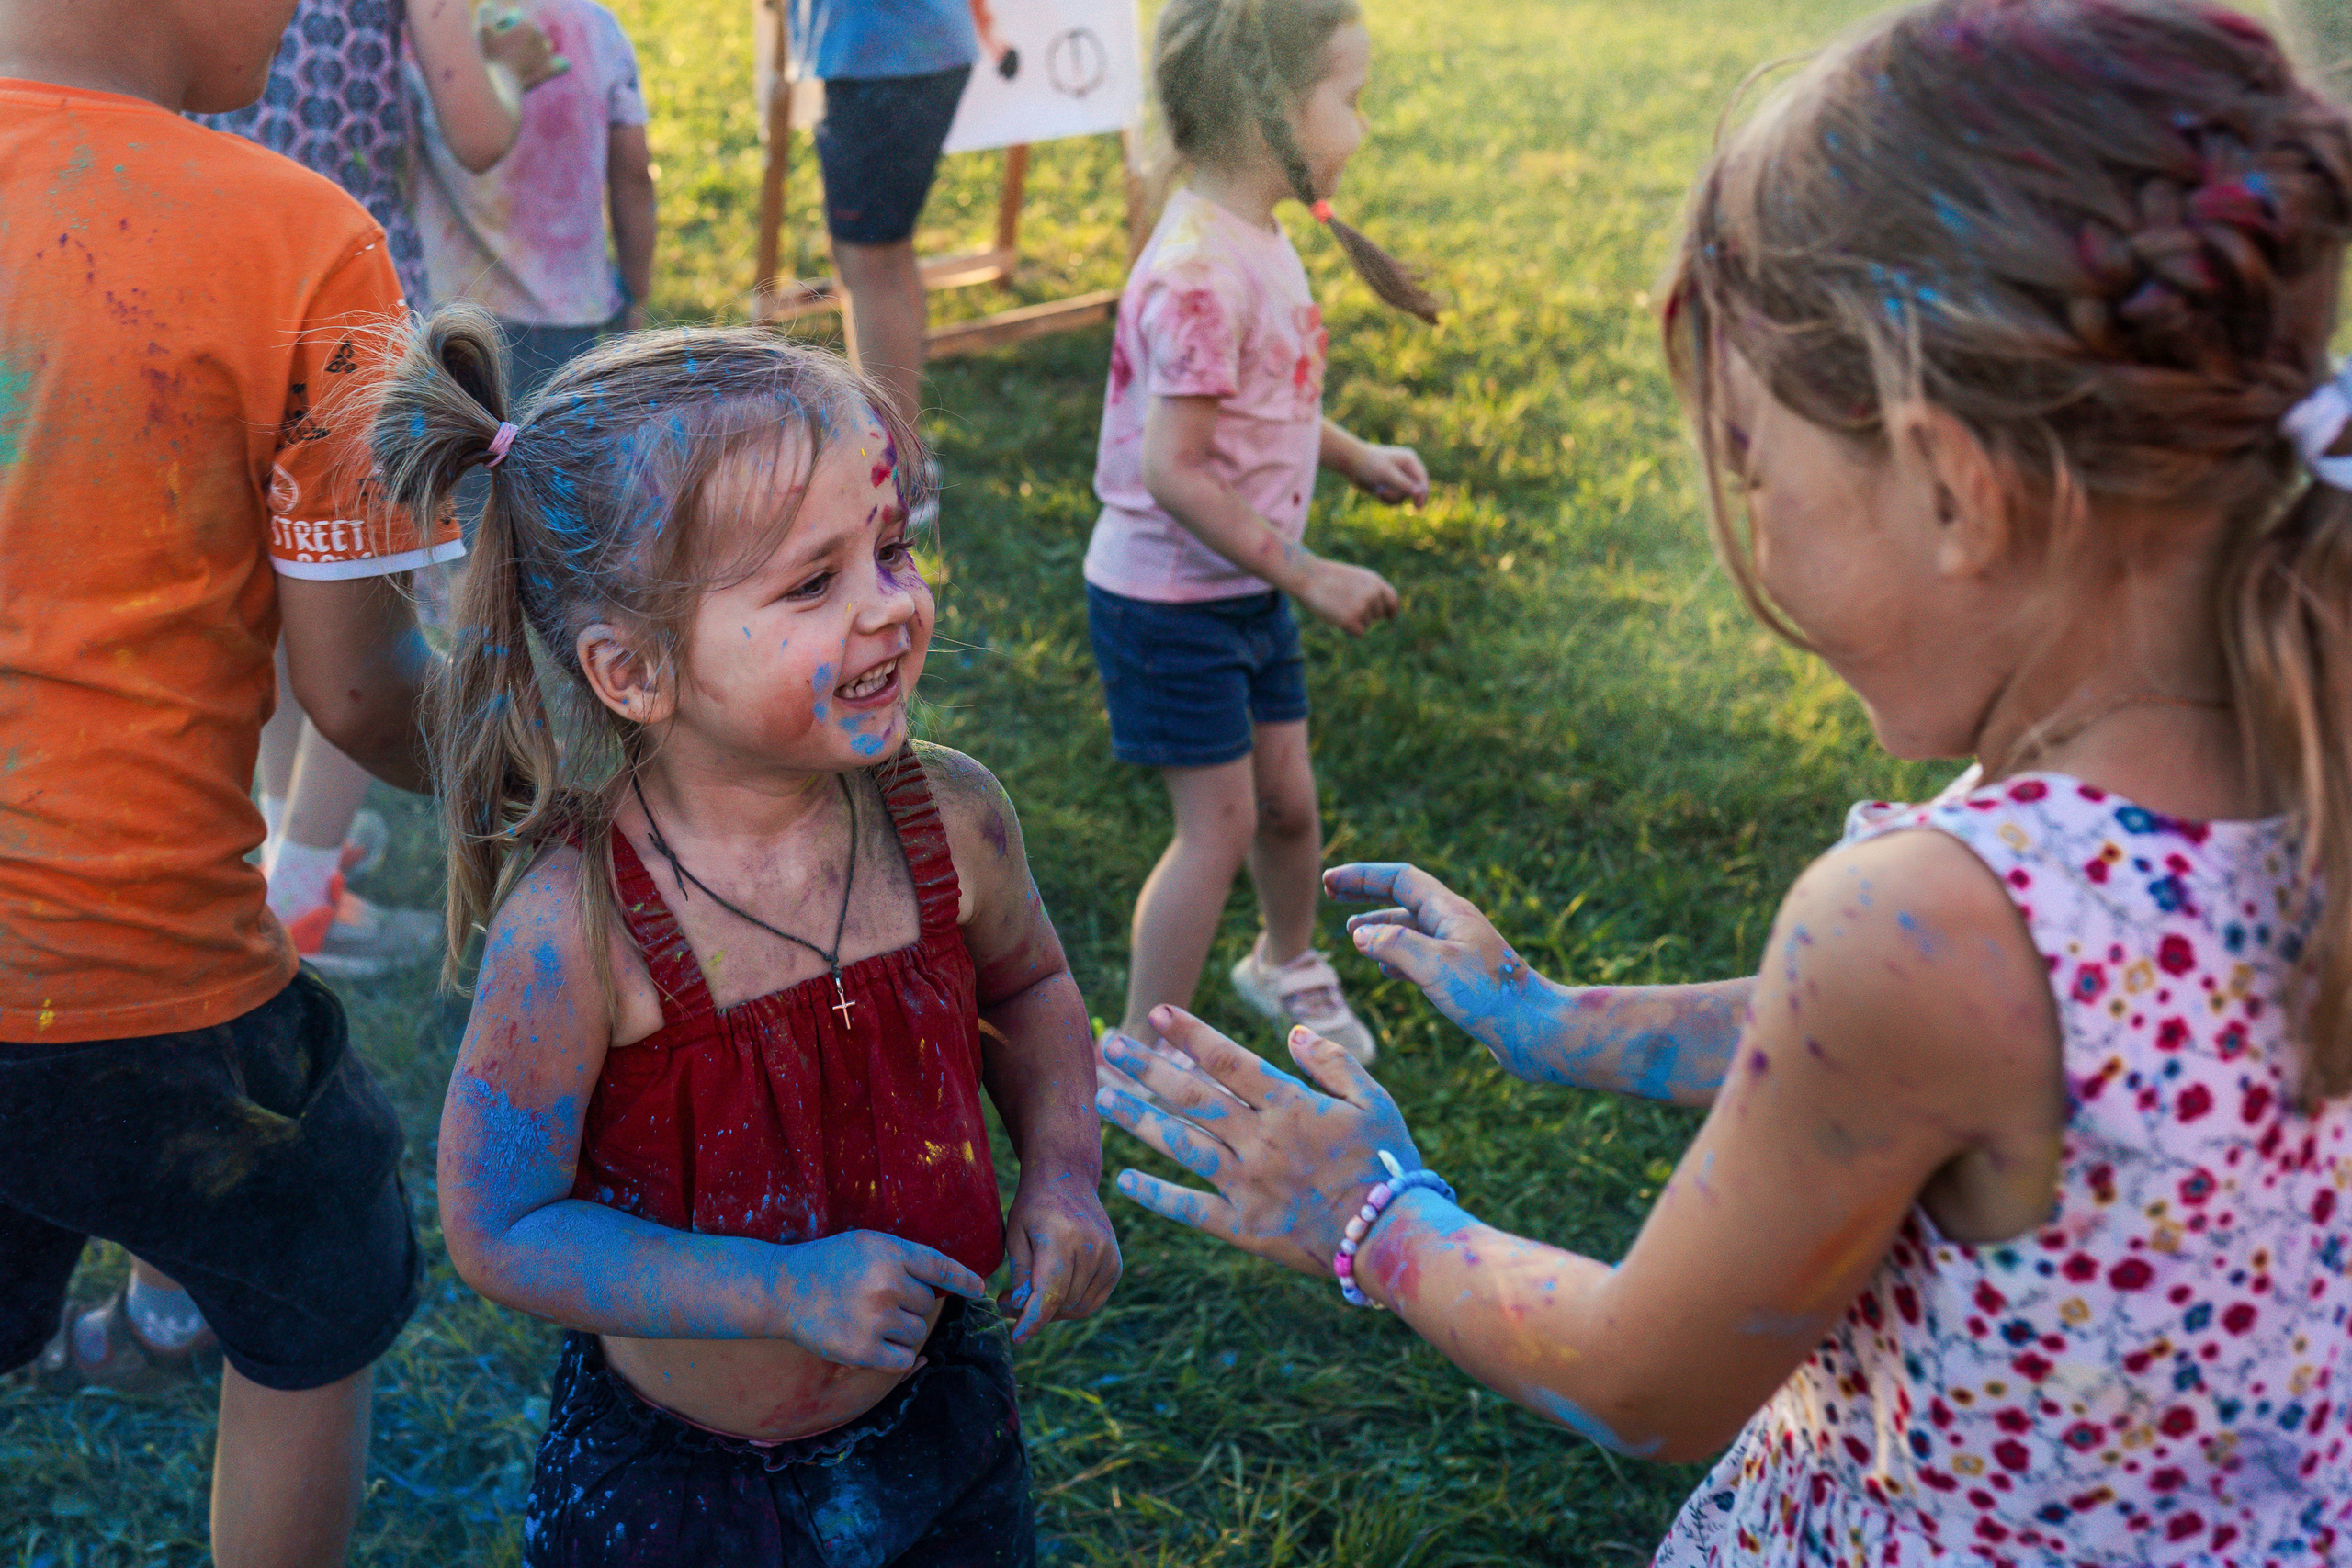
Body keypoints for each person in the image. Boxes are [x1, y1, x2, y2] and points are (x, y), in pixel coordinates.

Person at [1097, 0, 2352, 1560]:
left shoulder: (1930, 923)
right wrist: (1557, 1023)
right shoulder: (2287, 764)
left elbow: (1647, 1378)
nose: (1744, 523)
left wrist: (1370, 1211)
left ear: (1953, 487)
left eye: (1756, 465)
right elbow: (1932, 1051)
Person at [390, 310, 1120, 1563]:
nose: (889, 607)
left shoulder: (953, 822)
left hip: (942, 1412)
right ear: (632, 671)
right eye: (812, 583)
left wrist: (1062, 1170)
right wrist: (780, 1289)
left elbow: (1036, 988)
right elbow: (499, 1225)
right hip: (681, 1490)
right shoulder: (581, 931)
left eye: (891, 547)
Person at [0, 0, 457, 1560]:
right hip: (161, 996)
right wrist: (559, 762)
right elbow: (354, 689)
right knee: (314, 1283)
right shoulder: (303, 240)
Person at [1087, 0, 1434, 1065]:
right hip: (1169, 602)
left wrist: (1352, 455)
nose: (1362, 129)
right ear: (1267, 109)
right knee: (1221, 825)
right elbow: (1173, 471)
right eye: (1351, 99)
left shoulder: (1256, 236)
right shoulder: (1197, 271)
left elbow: (1264, 396)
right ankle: (1146, 1054)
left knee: (1288, 804)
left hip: (1239, 587)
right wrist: (1311, 571)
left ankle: (1282, 959)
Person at [202, 0, 560, 983]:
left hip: (209, 280)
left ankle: (286, 842)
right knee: (370, 602)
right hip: (342, 294)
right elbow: (478, 135)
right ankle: (304, 891)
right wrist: (512, 71)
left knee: (277, 591)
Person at [409, 0, 658, 396]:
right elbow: (633, 174)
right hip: (566, 313)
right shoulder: (595, 27)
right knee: (550, 451)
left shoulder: (433, 27)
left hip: (449, 313)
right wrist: (635, 291)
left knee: (453, 453)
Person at [788, 0, 980, 427]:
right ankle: (903, 456)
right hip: (899, 53)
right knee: (884, 257)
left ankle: (894, 465)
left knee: (870, 263)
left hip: (884, 59)